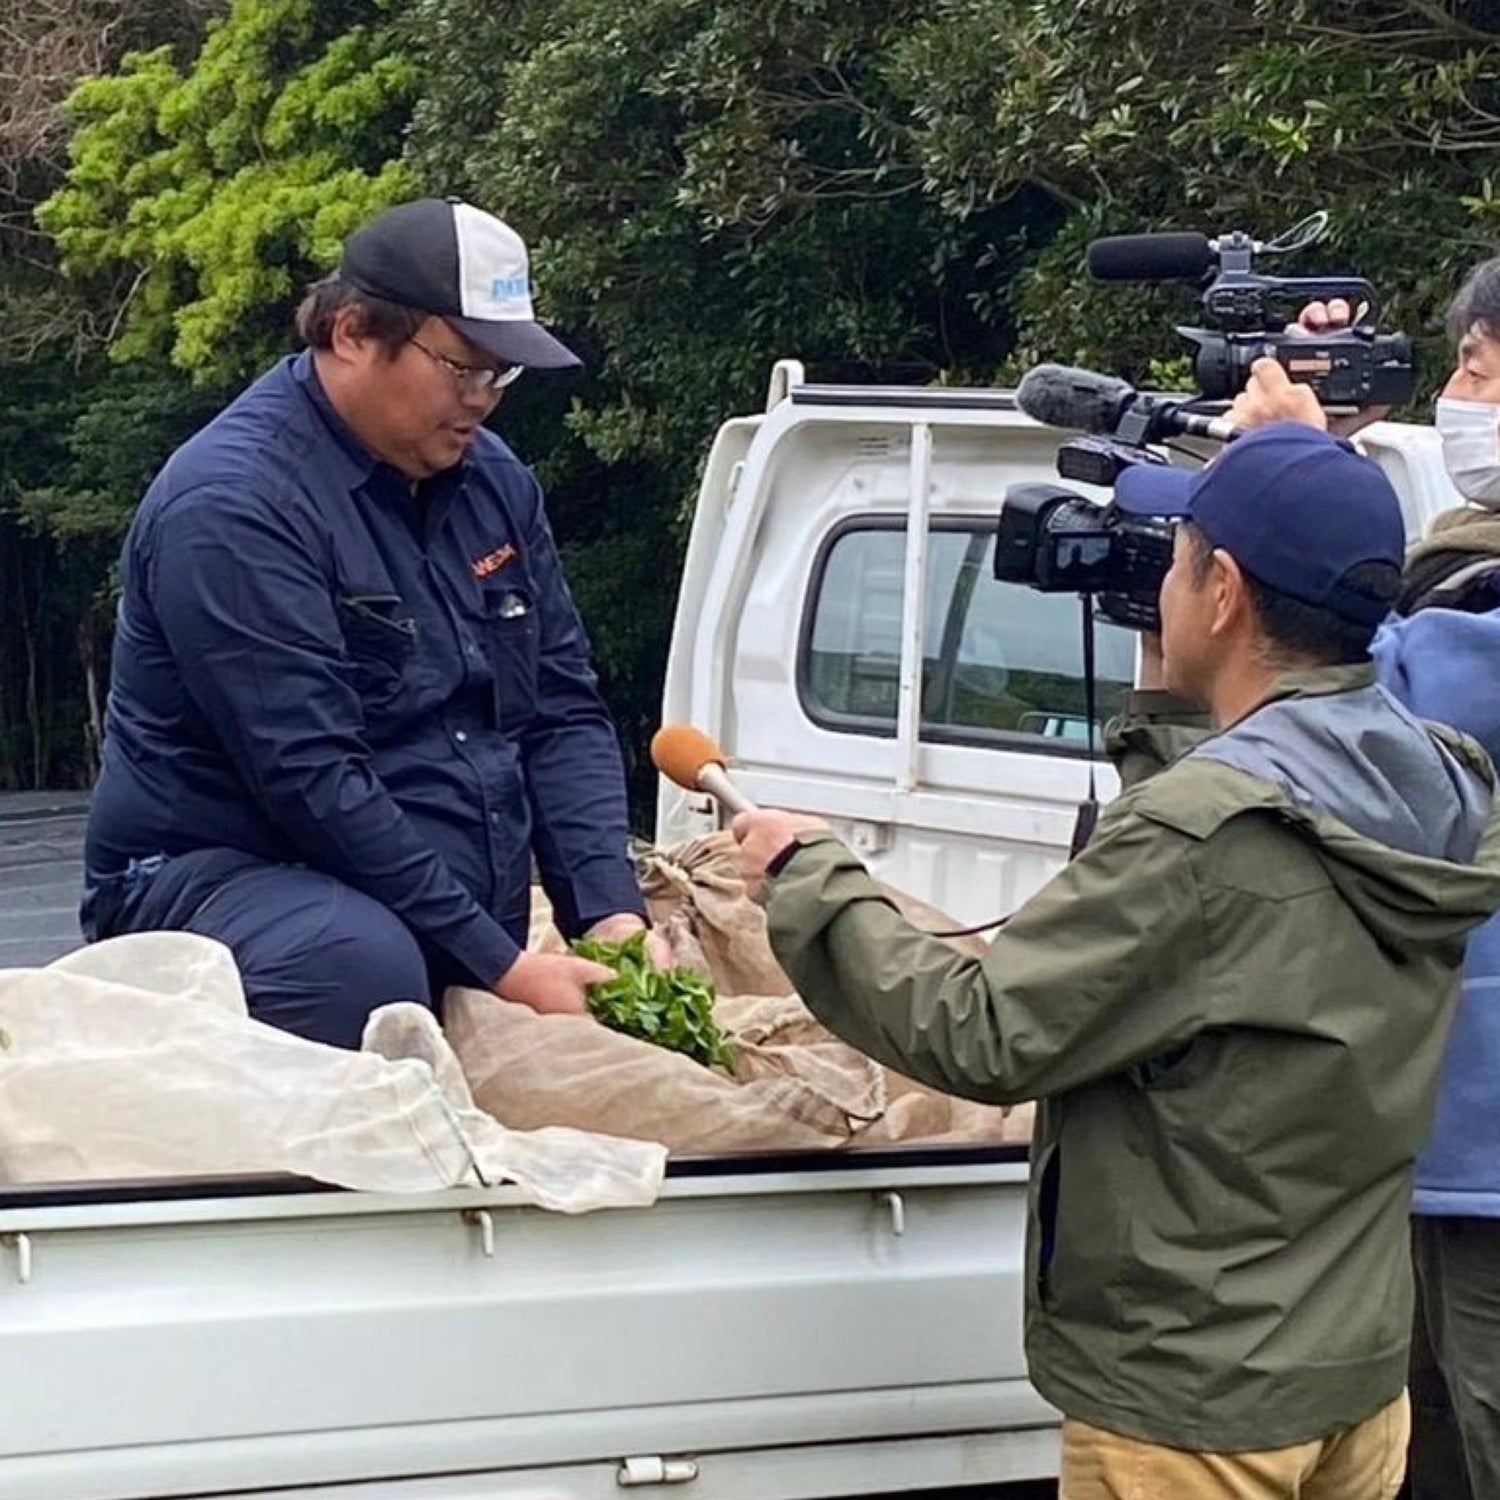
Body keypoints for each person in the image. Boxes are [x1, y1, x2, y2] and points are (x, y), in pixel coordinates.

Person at [732, 422, 1500, 1500]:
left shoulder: (1197, 838)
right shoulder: (1440, 777)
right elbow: (1246, 880)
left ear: (1223, 587)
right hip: (1353, 1378)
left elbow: (983, 1027)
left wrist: (812, 875)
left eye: (1177, 550)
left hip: (1193, 1401)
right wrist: (1171, 707)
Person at [82, 197, 667, 1049]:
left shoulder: (493, 482)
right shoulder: (233, 508)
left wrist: (608, 911)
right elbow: (310, 775)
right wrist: (503, 968)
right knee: (358, 971)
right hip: (221, 874)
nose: (483, 400)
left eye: (501, 374)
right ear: (353, 333)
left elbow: (560, 707)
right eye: (462, 366)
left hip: (413, 891)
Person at [1226, 264, 1500, 1500]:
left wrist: (1297, 481)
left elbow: (1351, 731)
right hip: (1432, 1138)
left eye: (1478, 374)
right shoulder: (1457, 565)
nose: (1452, 403)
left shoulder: (1471, 609)